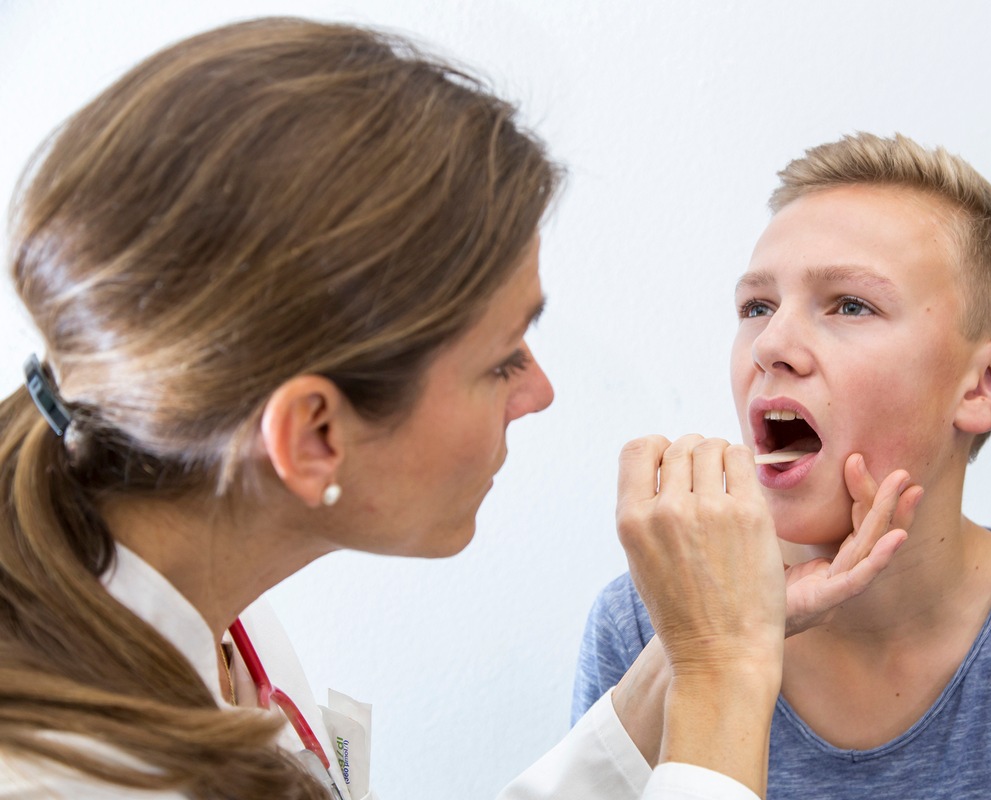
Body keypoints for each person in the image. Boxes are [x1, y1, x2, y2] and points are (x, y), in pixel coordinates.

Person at [0, 18, 913, 800]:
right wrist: (726, 674)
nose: (540, 392)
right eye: (500, 360)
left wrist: (687, 653)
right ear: (314, 435)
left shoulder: (212, 620)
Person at [573, 133, 991, 798]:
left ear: (988, 382)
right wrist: (700, 654)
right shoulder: (651, 623)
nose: (772, 344)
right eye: (757, 306)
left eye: (850, 304)